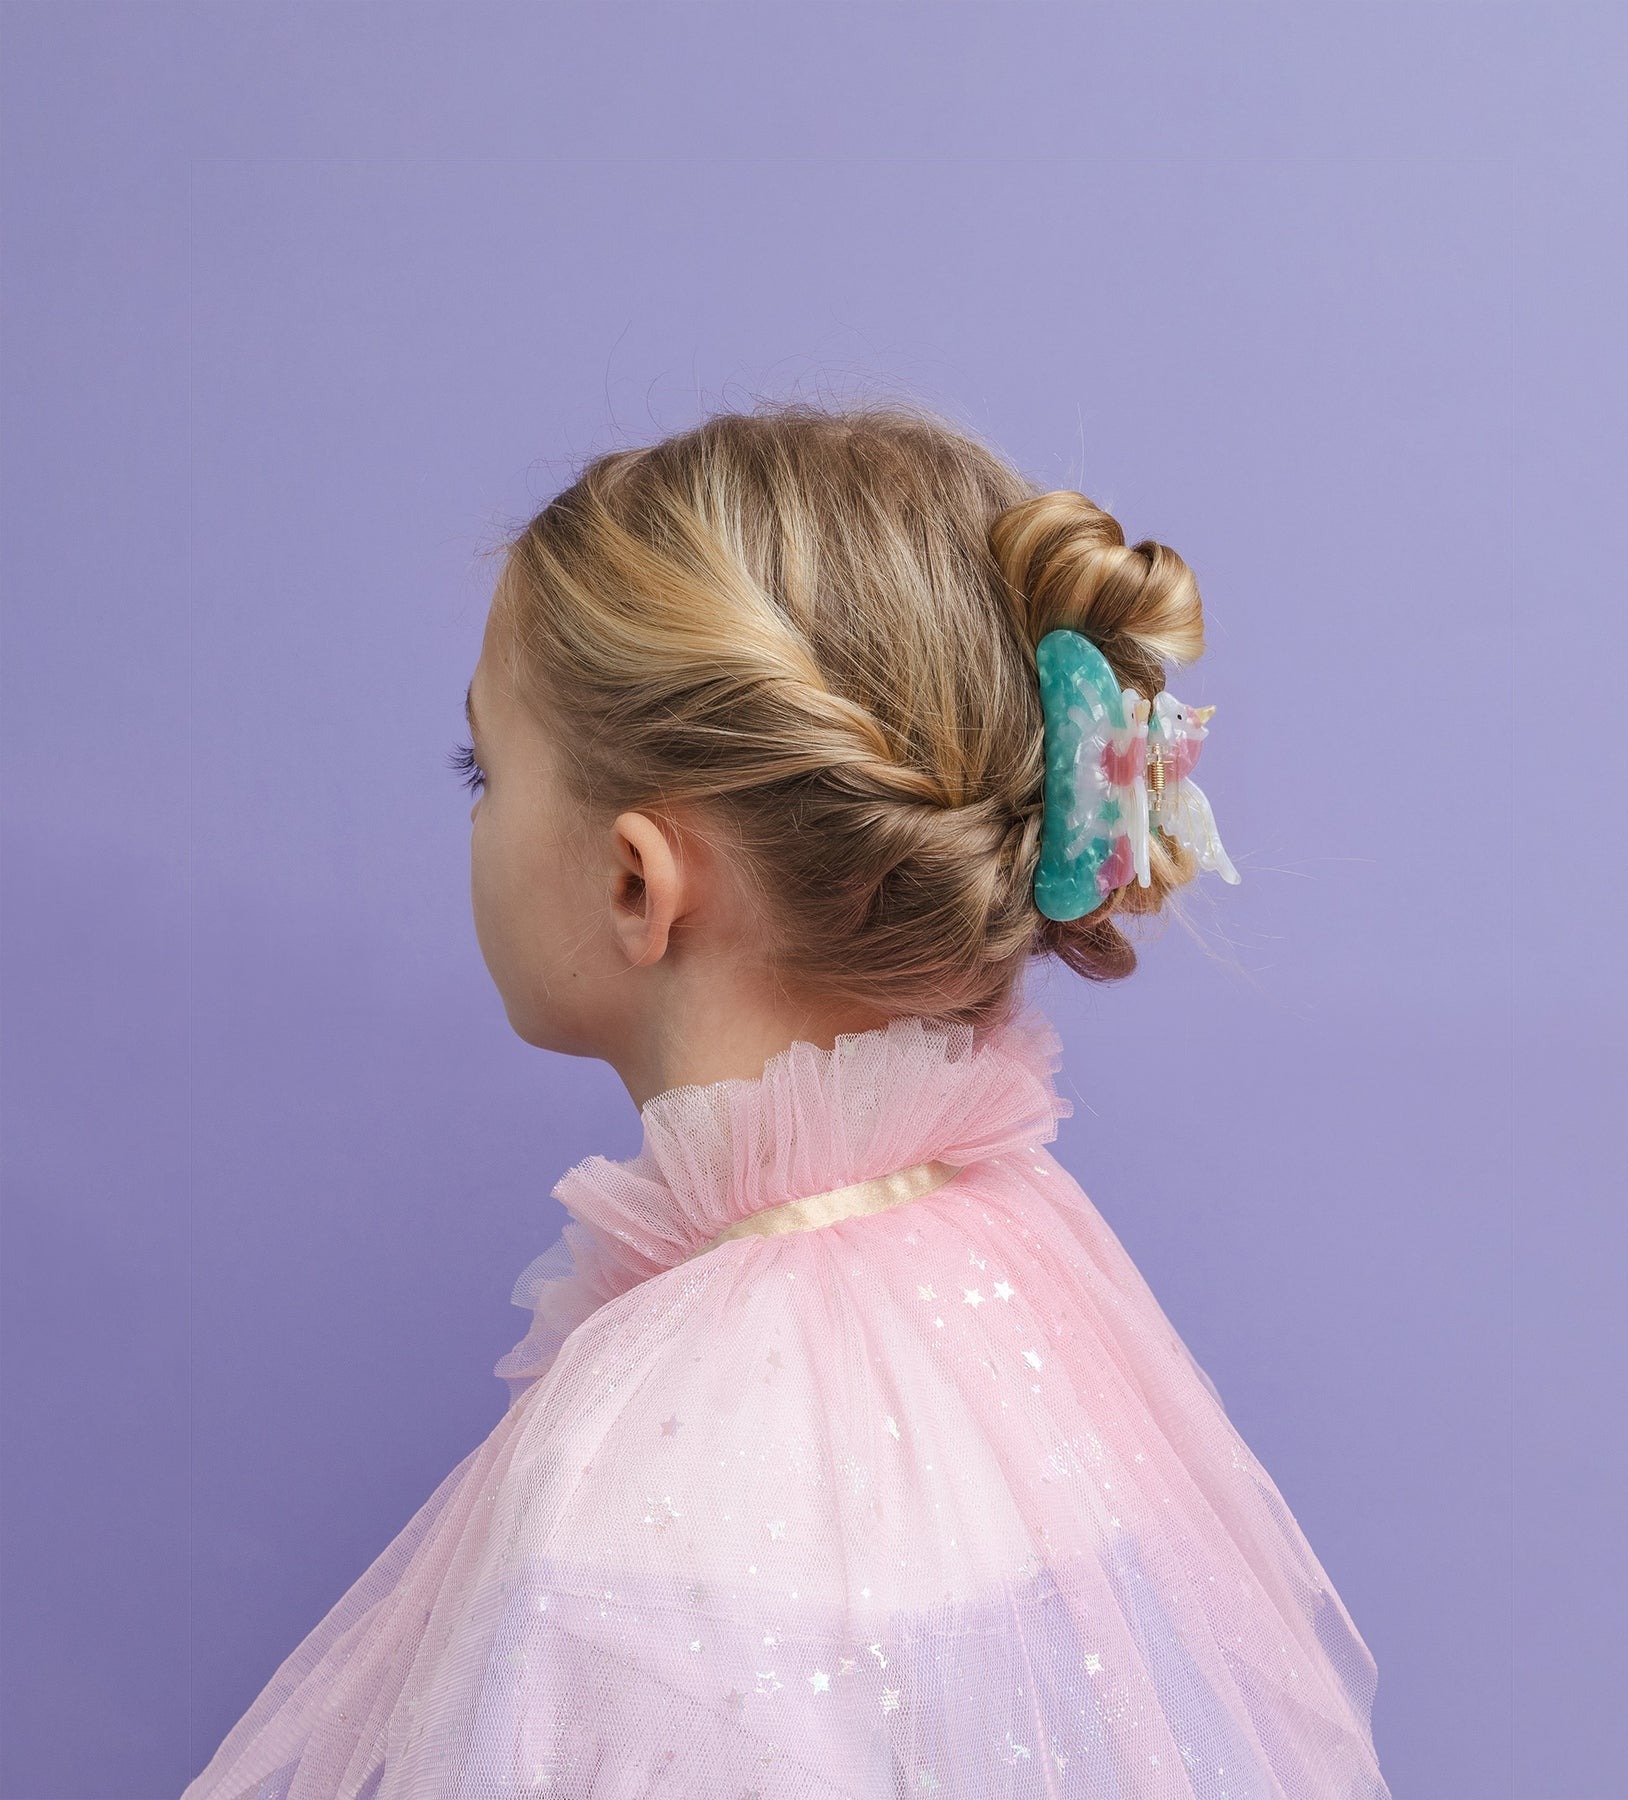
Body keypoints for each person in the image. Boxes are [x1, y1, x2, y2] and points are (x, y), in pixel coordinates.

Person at [184, 400, 1390, 1798]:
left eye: (484, 770)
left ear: (636, 880)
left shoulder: (643, 1463)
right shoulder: (1016, 1293)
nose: (471, 812)